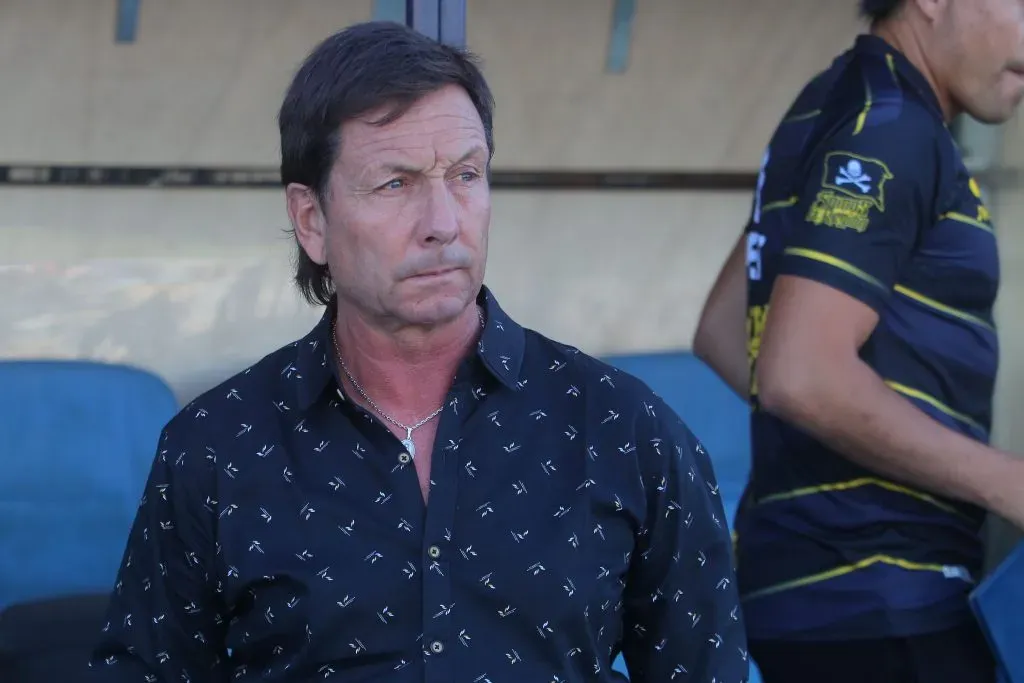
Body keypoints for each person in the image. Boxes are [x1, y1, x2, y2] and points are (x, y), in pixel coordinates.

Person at [87, 21, 748, 683]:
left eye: (466, 174)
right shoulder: (219, 446)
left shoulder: (622, 428)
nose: (443, 221)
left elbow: (705, 668)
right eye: (395, 184)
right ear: (311, 219)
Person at [693, 0, 1024, 681]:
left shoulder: (829, 107)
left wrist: (829, 413)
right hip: (881, 587)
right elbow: (800, 374)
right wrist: (1007, 480)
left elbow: (726, 329)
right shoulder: (892, 129)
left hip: (812, 587)